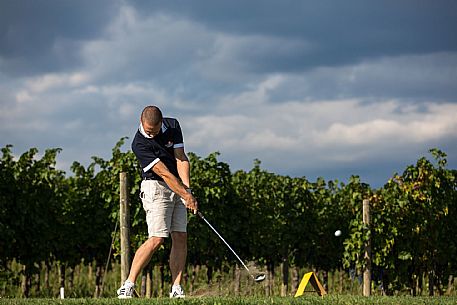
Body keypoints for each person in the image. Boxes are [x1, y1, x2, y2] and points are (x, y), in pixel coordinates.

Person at [117, 105, 198, 299]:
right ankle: (128, 284)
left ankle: (176, 288)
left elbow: (181, 158)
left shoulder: (173, 125)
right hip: (156, 187)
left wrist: (186, 189)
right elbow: (163, 172)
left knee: (180, 236)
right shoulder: (139, 144)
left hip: (177, 186)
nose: (150, 134)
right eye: (147, 131)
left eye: (154, 131)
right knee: (157, 238)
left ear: (161, 123)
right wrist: (185, 195)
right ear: (141, 121)